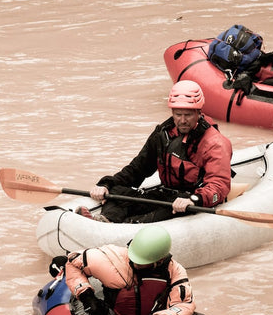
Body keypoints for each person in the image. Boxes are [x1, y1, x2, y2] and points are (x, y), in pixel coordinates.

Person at [79, 80, 233, 224]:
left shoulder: (215, 143)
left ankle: (125, 225)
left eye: (188, 115)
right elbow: (137, 169)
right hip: (165, 195)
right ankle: (105, 219)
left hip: (190, 201)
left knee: (162, 211)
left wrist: (193, 199)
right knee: (118, 191)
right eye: (178, 115)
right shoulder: (163, 134)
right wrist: (106, 184)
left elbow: (219, 185)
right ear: (172, 112)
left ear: (199, 113)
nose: (183, 120)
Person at [64, 226, 195, 315]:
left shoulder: (175, 271)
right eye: (134, 259)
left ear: (159, 261)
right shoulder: (113, 259)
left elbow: (184, 305)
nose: (135, 264)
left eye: (141, 262)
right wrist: (87, 297)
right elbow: (72, 262)